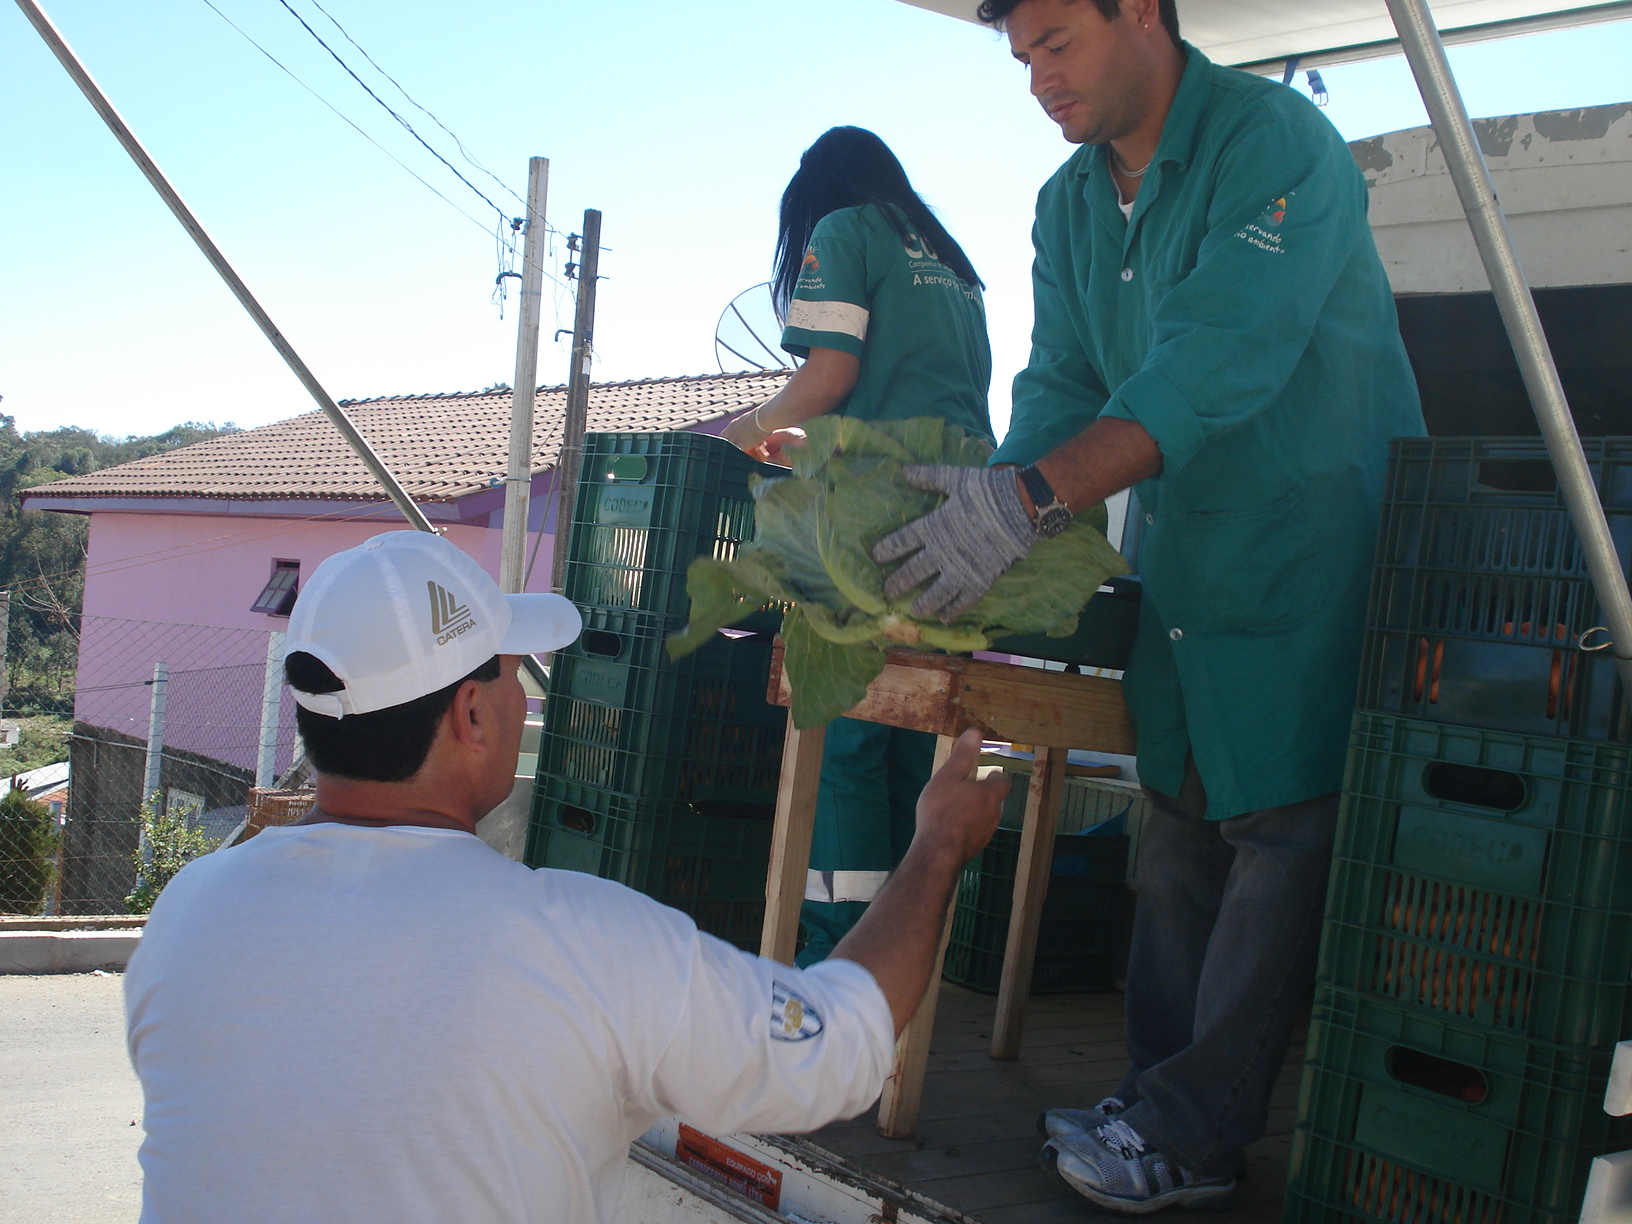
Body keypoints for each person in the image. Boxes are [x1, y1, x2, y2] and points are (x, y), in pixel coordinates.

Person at [872, 0, 1426, 1212]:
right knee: (1176, 822)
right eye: (1019, 58)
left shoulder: (1276, 144)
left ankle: (1196, 1134)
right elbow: (1063, 378)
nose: (1037, 82)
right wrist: (994, 507)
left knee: (1281, 833)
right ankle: (1149, 1103)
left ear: (1141, 13)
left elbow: (1219, 356)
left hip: (1311, 550)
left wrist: (1028, 503)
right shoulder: (1067, 204)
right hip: (1183, 570)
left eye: (1057, 43)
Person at [124, 530, 1007, 1224]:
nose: (521, 701)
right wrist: (936, 848)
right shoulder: (584, 946)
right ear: (471, 711)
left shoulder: (189, 912)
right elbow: (839, 1051)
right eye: (514, 676)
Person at [721, 125, 995, 967]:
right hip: (970, 521)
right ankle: (910, 945)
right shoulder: (953, 263)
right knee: (914, 731)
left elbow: (830, 377)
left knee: (842, 739)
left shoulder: (845, 232)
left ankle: (836, 957)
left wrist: (751, 428)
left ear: (815, 200)